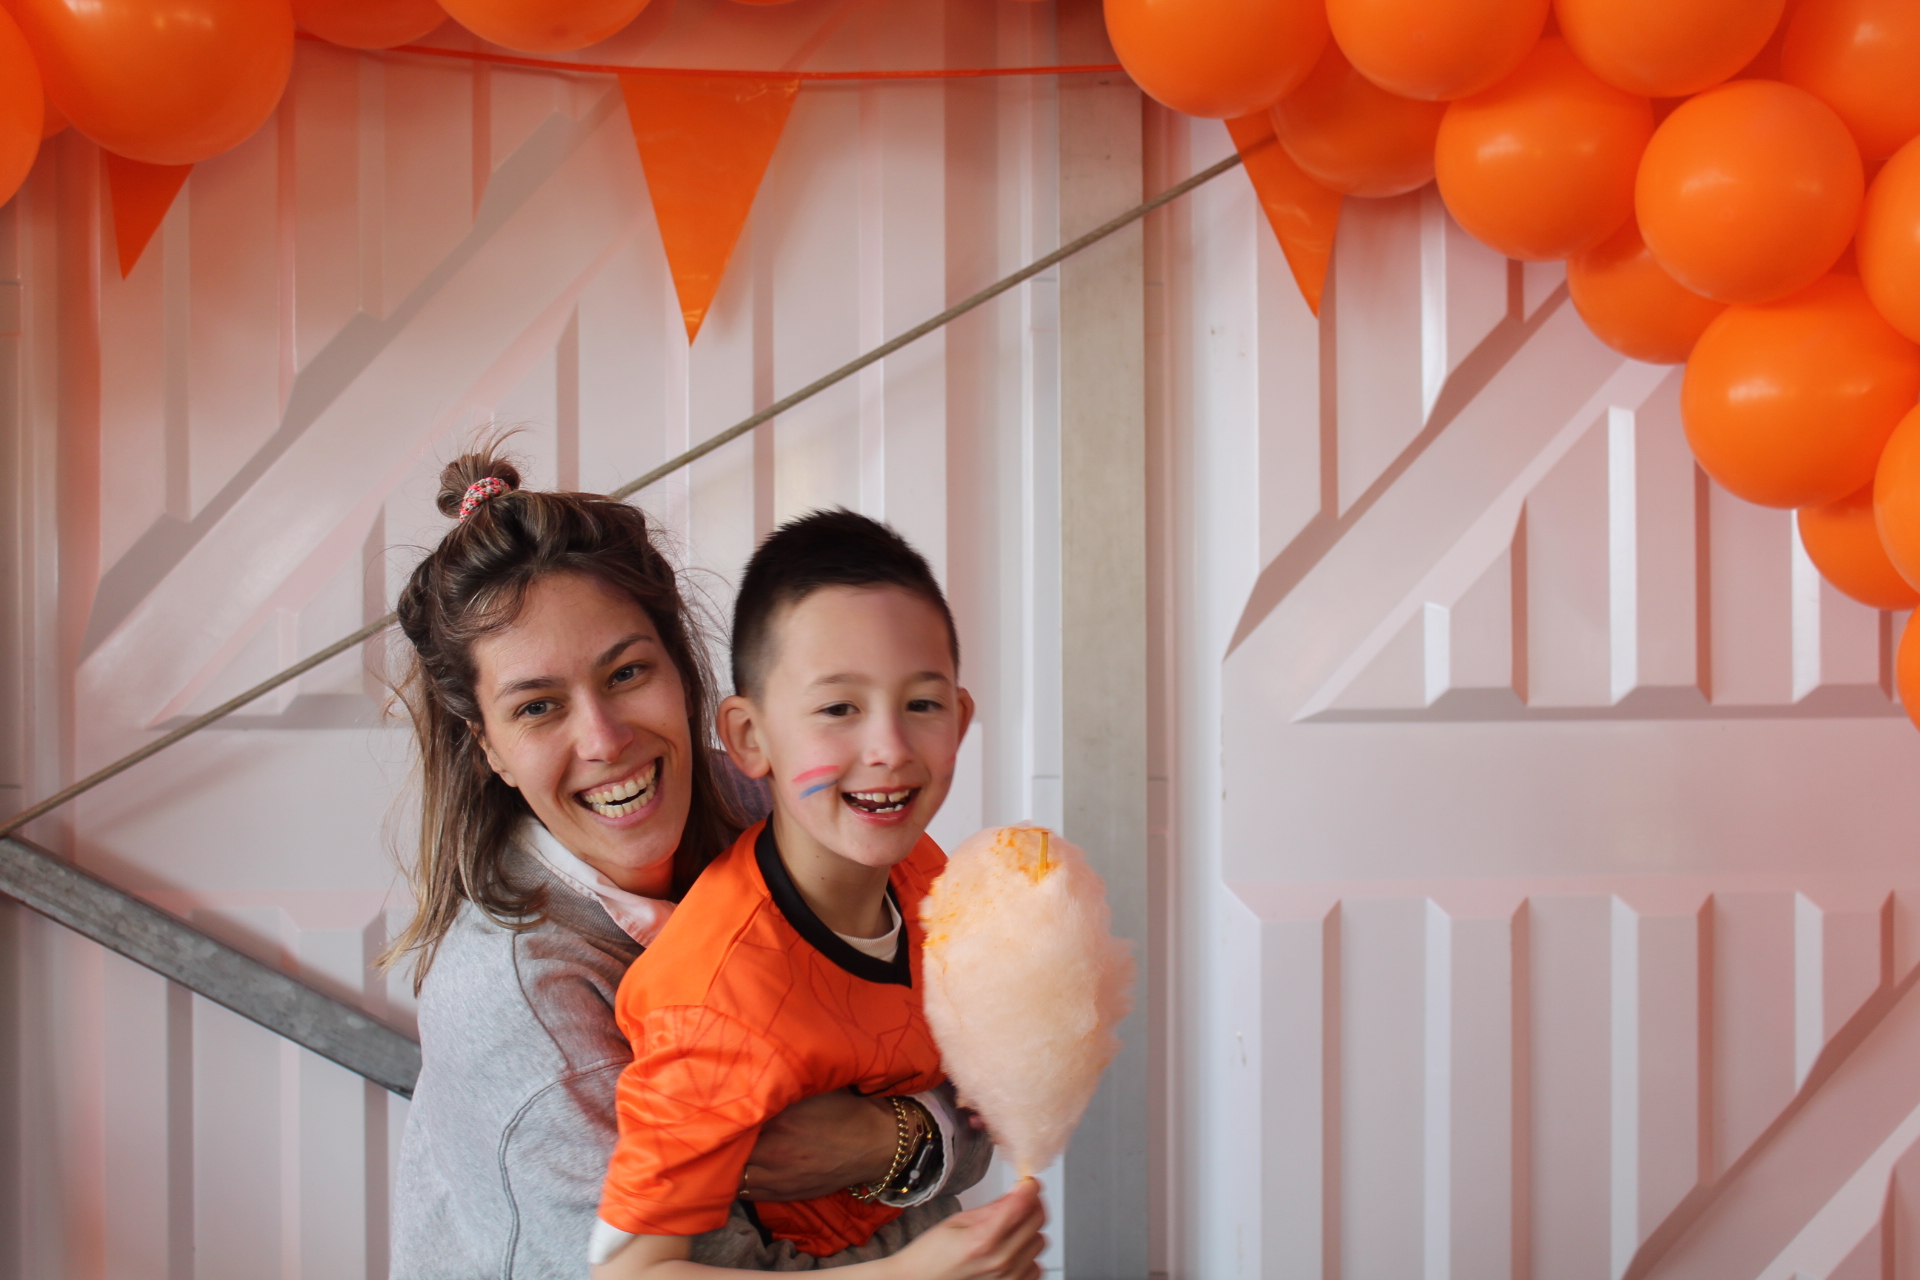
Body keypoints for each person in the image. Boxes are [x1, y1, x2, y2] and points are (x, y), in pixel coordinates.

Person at [384, 451, 995, 1278]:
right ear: (487, 745)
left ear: (681, 670)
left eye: (627, 673)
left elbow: (987, 1079)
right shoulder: (518, 1000)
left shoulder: (778, 807)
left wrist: (885, 1140)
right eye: (538, 707)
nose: (604, 740)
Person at [590, 511, 1047, 1280]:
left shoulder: (922, 869)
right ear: (750, 738)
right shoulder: (714, 1000)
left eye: (922, 704)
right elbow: (631, 1274)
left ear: (962, 720)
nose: (889, 750)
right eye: (839, 708)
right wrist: (911, 1276)